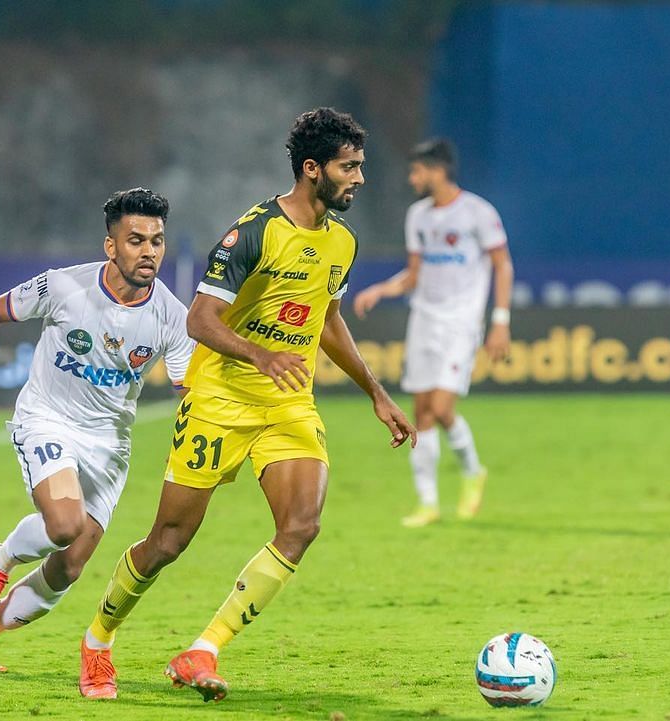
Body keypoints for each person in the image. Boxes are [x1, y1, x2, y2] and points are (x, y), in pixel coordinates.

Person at [79, 108, 417, 703]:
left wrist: (377, 392)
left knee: (301, 526)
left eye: (361, 165)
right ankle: (99, 638)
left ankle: (202, 649)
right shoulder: (254, 232)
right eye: (350, 166)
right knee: (168, 541)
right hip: (219, 399)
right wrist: (261, 356)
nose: (360, 178)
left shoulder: (342, 240)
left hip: (287, 403)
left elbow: (327, 319)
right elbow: (200, 319)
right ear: (312, 170)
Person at [0, 188, 193, 678]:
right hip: (48, 418)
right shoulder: (64, 287)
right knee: (65, 524)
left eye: (157, 241)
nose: (149, 252)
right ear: (110, 246)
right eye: (135, 240)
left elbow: (189, 390)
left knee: (69, 566)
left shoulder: (173, 317)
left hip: (111, 444)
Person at [353, 138, 513, 527]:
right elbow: (413, 274)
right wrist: (381, 289)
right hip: (424, 319)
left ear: (437, 170)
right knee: (421, 412)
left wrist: (501, 321)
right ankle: (428, 503)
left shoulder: (478, 212)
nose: (412, 178)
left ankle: (473, 472)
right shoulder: (418, 216)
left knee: (442, 409)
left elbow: (502, 265)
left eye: (416, 171)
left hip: (460, 323)